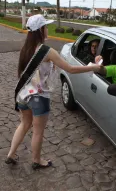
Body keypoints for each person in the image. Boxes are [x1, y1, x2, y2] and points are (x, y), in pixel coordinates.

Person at [6, 14, 101, 170]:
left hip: (23, 95)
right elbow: (70, 69)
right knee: (37, 132)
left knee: (24, 124)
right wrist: (93, 67)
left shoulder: (26, 48)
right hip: (38, 97)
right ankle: (37, 160)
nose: (47, 29)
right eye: (46, 27)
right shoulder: (47, 51)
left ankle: (10, 154)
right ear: (41, 30)